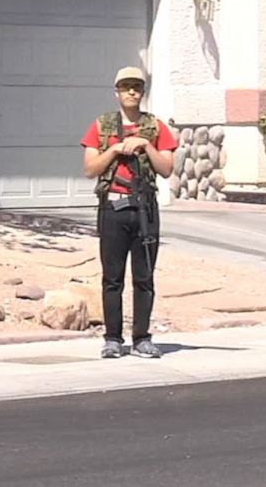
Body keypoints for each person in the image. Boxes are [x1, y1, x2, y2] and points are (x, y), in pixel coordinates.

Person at [80, 66, 178, 359]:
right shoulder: (102, 125)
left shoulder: (156, 127)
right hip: (113, 207)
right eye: (126, 87)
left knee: (144, 276)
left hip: (145, 209)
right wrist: (115, 150)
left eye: (136, 86)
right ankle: (112, 338)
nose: (132, 92)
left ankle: (142, 338)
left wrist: (145, 145)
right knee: (112, 277)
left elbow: (166, 168)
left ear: (143, 91)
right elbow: (89, 169)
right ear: (117, 92)